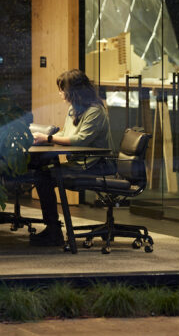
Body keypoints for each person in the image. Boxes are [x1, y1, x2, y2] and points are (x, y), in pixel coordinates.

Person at [29, 69, 113, 246]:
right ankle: (53, 229)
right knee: (41, 173)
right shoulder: (74, 109)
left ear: (73, 90)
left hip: (95, 165)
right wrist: (44, 137)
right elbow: (67, 133)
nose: (60, 93)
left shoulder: (95, 111)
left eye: (62, 89)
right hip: (80, 163)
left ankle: (54, 231)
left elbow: (79, 140)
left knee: (43, 177)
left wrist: (49, 138)